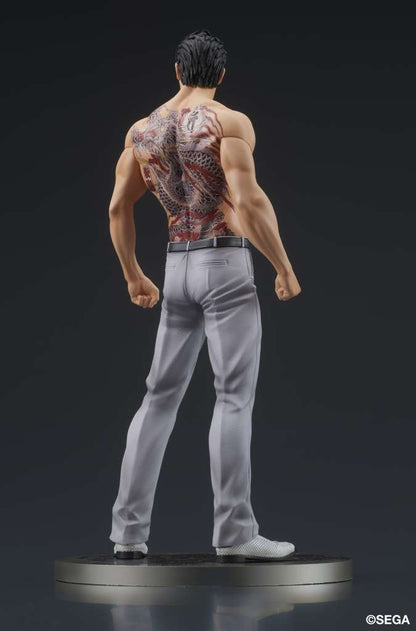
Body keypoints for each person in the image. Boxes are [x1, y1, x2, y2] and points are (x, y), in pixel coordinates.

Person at [108, 29, 302, 562]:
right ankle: (235, 534)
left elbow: (118, 207)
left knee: (157, 398)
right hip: (224, 263)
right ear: (219, 74)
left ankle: (127, 534)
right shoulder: (229, 122)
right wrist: (283, 266)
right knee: (233, 397)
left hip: (176, 265)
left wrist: (133, 274)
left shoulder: (142, 131)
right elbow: (249, 200)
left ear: (177, 71)